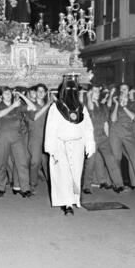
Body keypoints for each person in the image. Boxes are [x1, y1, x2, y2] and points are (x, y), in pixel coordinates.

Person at [44, 75, 96, 216]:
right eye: (68, 89)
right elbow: (51, 128)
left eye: (74, 89)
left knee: (75, 174)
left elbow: (87, 127)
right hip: (61, 145)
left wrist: (90, 144)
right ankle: (66, 203)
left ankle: (74, 199)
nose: (71, 91)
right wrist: (50, 146)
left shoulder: (81, 108)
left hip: (78, 145)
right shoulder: (56, 107)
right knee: (64, 175)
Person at [0, 86, 36, 198]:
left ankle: (25, 188)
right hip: (2, 138)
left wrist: (22, 96)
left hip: (17, 137)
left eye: (9, 93)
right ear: (0, 96)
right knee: (1, 163)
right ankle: (0, 188)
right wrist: (12, 106)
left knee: (22, 162)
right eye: (5, 93)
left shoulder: (18, 106)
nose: (8, 95)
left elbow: (33, 108)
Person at [82, 84, 124, 194]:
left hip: (102, 137)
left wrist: (107, 137)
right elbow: (91, 109)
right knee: (90, 163)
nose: (97, 93)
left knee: (111, 159)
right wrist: (89, 96)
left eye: (98, 91)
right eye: (94, 91)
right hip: (91, 138)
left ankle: (119, 184)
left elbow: (106, 123)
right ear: (90, 93)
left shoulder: (103, 106)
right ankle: (87, 186)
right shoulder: (86, 105)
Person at [109, 83, 135, 193]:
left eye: (125, 88)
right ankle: (117, 184)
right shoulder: (115, 102)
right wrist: (117, 105)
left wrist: (124, 107)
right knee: (116, 157)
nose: (123, 90)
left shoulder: (133, 103)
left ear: (128, 91)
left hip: (128, 133)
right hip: (116, 132)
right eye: (121, 89)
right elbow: (113, 119)